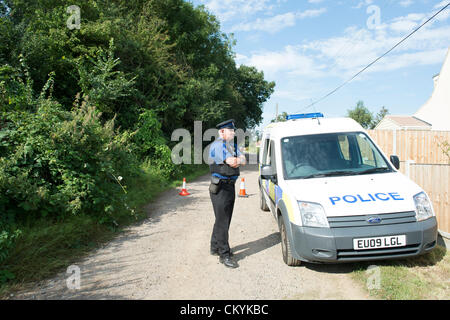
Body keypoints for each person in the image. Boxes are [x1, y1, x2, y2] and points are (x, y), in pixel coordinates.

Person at [208, 119, 246, 268]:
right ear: (222, 132)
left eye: (233, 130)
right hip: (221, 188)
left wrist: (237, 160)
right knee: (223, 221)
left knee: (222, 219)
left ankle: (214, 246)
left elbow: (243, 160)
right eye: (231, 130)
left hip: (230, 187)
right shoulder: (217, 146)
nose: (233, 132)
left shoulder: (232, 146)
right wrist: (236, 160)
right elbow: (231, 161)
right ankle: (224, 255)